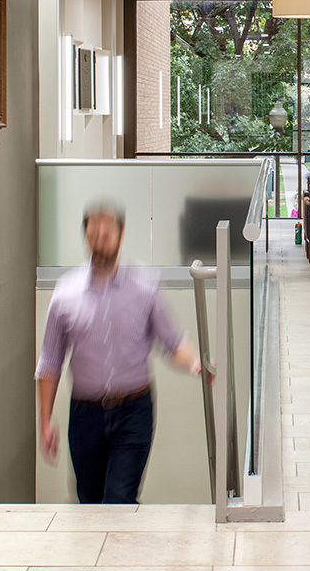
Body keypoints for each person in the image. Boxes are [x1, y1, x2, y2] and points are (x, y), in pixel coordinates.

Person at [36, 203, 202, 503]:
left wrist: (195, 362)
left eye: (107, 231)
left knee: (118, 499)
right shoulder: (65, 293)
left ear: (121, 234)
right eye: (94, 231)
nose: (101, 237)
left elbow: (173, 342)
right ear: (85, 236)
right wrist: (45, 420)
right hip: (85, 414)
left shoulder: (144, 287)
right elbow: (50, 361)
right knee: (89, 500)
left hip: (133, 410)